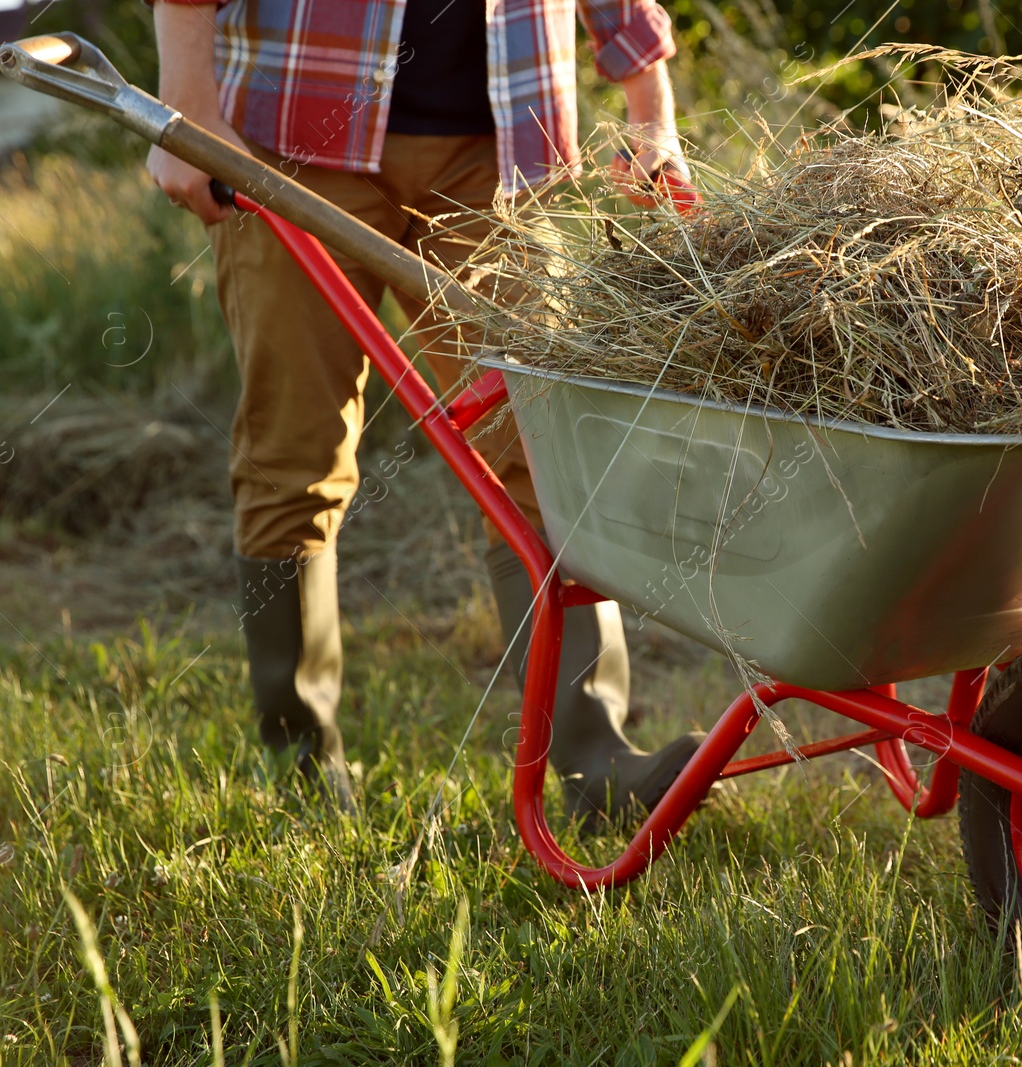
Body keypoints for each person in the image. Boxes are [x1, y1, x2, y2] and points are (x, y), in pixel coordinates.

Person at [146, 0, 704, 819]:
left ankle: (595, 756)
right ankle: (301, 766)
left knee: (546, 446)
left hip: (502, 153)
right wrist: (188, 109)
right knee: (295, 453)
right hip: (297, 141)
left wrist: (652, 109)